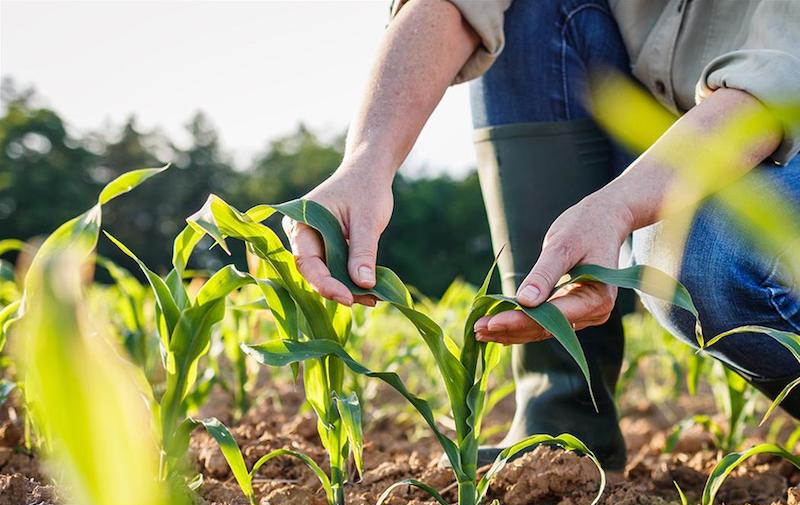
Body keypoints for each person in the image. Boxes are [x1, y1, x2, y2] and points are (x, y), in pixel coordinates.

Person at [283, 0, 800, 471]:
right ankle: (563, 421)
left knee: (699, 252)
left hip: (777, 125)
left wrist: (619, 206)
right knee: (532, 10)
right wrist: (367, 161)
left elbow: (775, 84)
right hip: (676, 125)